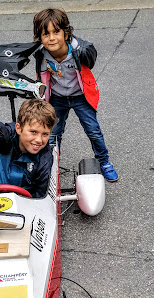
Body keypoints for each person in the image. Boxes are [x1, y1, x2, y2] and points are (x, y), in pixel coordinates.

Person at [33, 8, 118, 182]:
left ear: (66, 33)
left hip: (81, 96)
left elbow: (90, 58)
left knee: (93, 131)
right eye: (45, 34)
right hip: (56, 98)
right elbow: (41, 78)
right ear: (39, 37)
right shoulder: (41, 55)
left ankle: (104, 162)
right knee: (53, 134)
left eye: (56, 31)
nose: (51, 38)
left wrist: (85, 51)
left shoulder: (78, 51)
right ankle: (51, 166)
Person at [0, 99, 57, 198]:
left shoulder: (45, 158)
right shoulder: (8, 140)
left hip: (25, 203)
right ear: (18, 128)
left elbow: (41, 194)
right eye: (33, 132)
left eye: (45, 134)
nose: (39, 140)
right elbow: (2, 132)